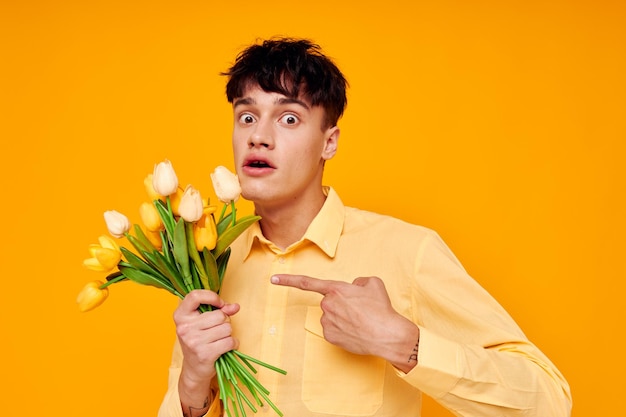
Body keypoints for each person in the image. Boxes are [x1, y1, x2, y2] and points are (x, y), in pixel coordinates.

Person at [158, 37, 572, 417]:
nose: (259, 137)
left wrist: (402, 343)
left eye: (288, 119)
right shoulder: (211, 263)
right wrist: (192, 386)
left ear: (329, 142)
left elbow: (550, 402)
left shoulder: (407, 251)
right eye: (247, 117)